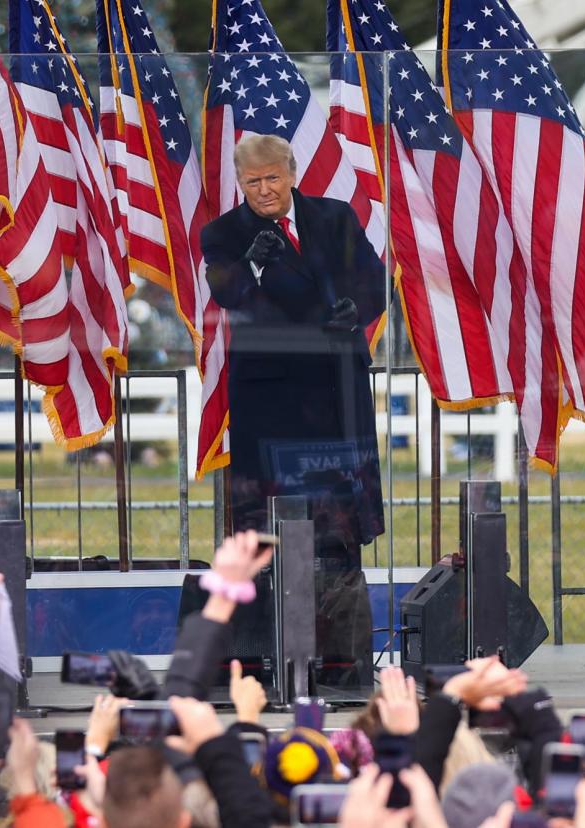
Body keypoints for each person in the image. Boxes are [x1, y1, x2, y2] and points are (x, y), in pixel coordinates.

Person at [200, 137, 386, 689]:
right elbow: (228, 297)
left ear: (292, 172)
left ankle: (343, 662)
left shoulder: (334, 217)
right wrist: (251, 268)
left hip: (336, 398)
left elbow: (374, 283)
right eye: (252, 183)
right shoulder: (224, 234)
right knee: (268, 532)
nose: (263, 191)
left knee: (338, 531)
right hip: (272, 409)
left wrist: (357, 310)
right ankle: (264, 660)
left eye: (272, 179)